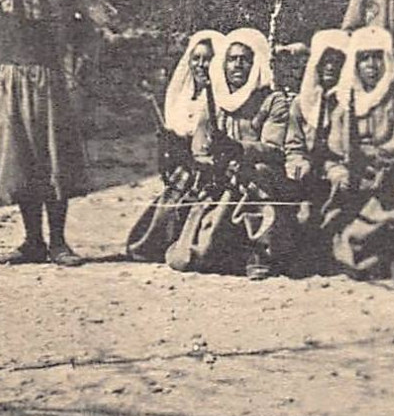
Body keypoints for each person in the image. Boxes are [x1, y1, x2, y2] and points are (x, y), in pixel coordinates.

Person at [0, 0, 90, 266]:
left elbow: (77, 28)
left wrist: (74, 73)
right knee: (19, 160)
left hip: (47, 77)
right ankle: (32, 241)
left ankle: (58, 243)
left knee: (52, 158)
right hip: (11, 77)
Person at [166, 27, 296, 278]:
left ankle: (259, 251)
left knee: (259, 176)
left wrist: (240, 149)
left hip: (257, 175)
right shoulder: (215, 99)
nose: (238, 65)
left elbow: (274, 148)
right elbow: (200, 147)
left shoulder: (273, 100)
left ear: (255, 63)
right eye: (232, 59)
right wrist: (213, 161)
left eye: (245, 59)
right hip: (221, 175)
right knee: (195, 251)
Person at [321, 26, 394, 287]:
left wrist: (376, 156)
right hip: (358, 181)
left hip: (393, 179)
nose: (371, 65)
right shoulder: (344, 106)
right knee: (349, 250)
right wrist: (338, 172)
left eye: (377, 57)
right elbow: (332, 153)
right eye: (364, 58)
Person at [125, 29, 224, 263]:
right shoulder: (184, 94)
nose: (201, 65)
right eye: (196, 58)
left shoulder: (223, 96)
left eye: (207, 59)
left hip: (213, 166)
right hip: (185, 167)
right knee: (170, 202)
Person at [282, 28, 350, 275]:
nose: (330, 68)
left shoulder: (350, 102)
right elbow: (293, 143)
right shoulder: (302, 103)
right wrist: (297, 161)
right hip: (309, 164)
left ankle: (332, 252)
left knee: (341, 185)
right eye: (325, 62)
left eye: (337, 62)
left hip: (336, 165)